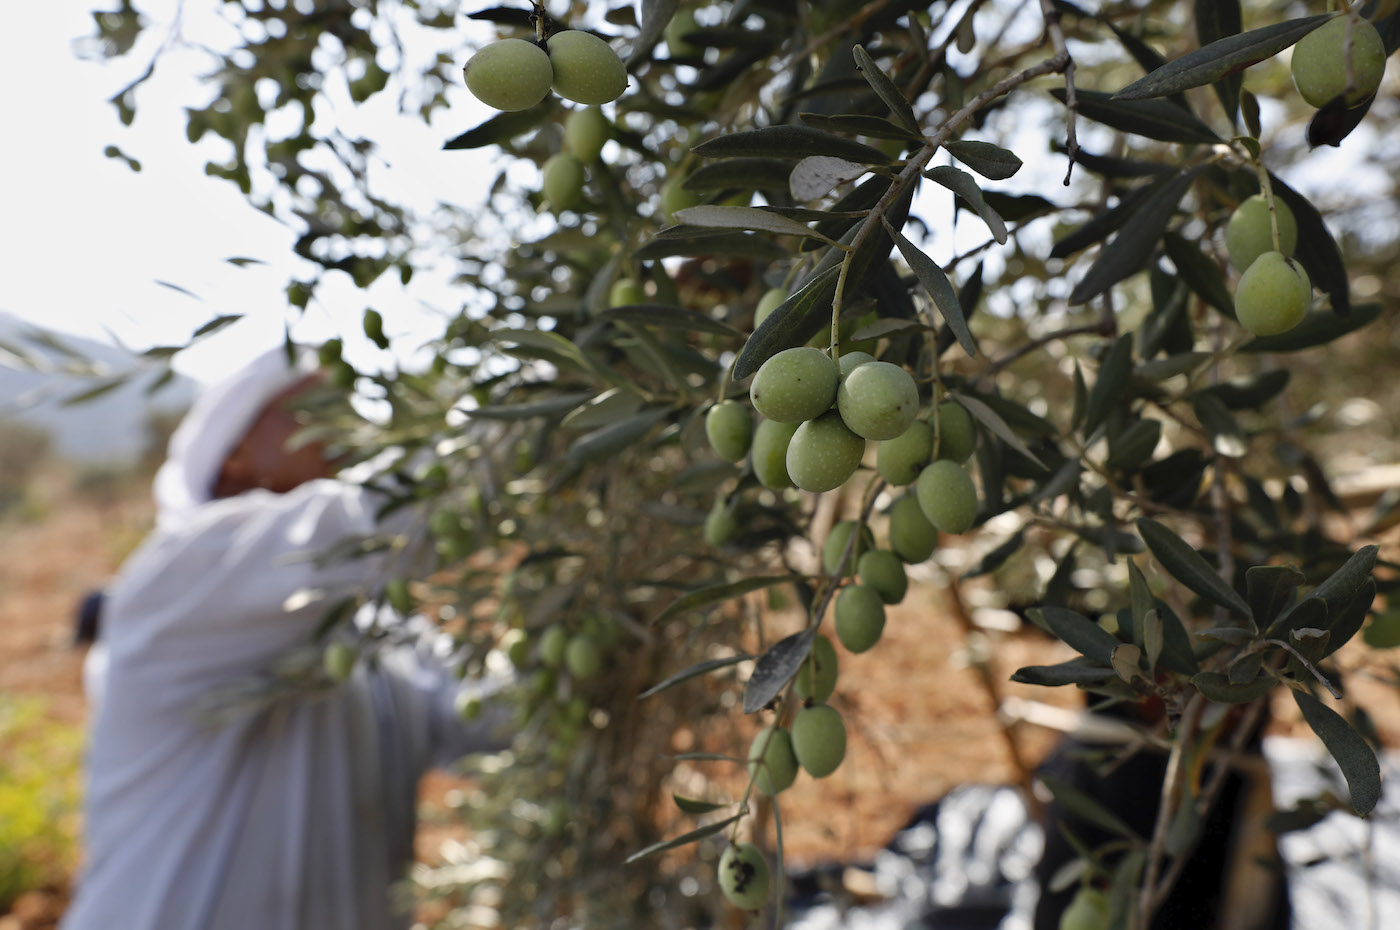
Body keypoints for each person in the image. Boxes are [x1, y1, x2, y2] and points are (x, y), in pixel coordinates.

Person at [62, 346, 509, 930]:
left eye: (350, 410)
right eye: (315, 412)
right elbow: (386, 519)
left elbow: (491, 721)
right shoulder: (186, 575)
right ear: (234, 453)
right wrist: (546, 399)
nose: (347, 432)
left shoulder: (382, 630)